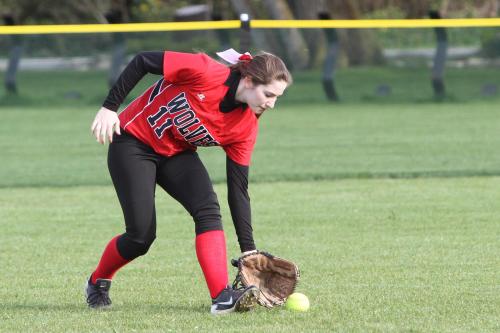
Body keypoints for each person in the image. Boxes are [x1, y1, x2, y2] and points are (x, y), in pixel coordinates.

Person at [85, 49, 292, 315]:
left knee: (207, 208)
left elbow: (238, 189)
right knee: (140, 237)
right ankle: (97, 282)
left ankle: (222, 297)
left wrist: (248, 250)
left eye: (277, 97)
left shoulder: (245, 127)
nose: (271, 104)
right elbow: (143, 60)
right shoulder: (205, 71)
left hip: (175, 153)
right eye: (269, 95)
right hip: (133, 143)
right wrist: (109, 107)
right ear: (250, 80)